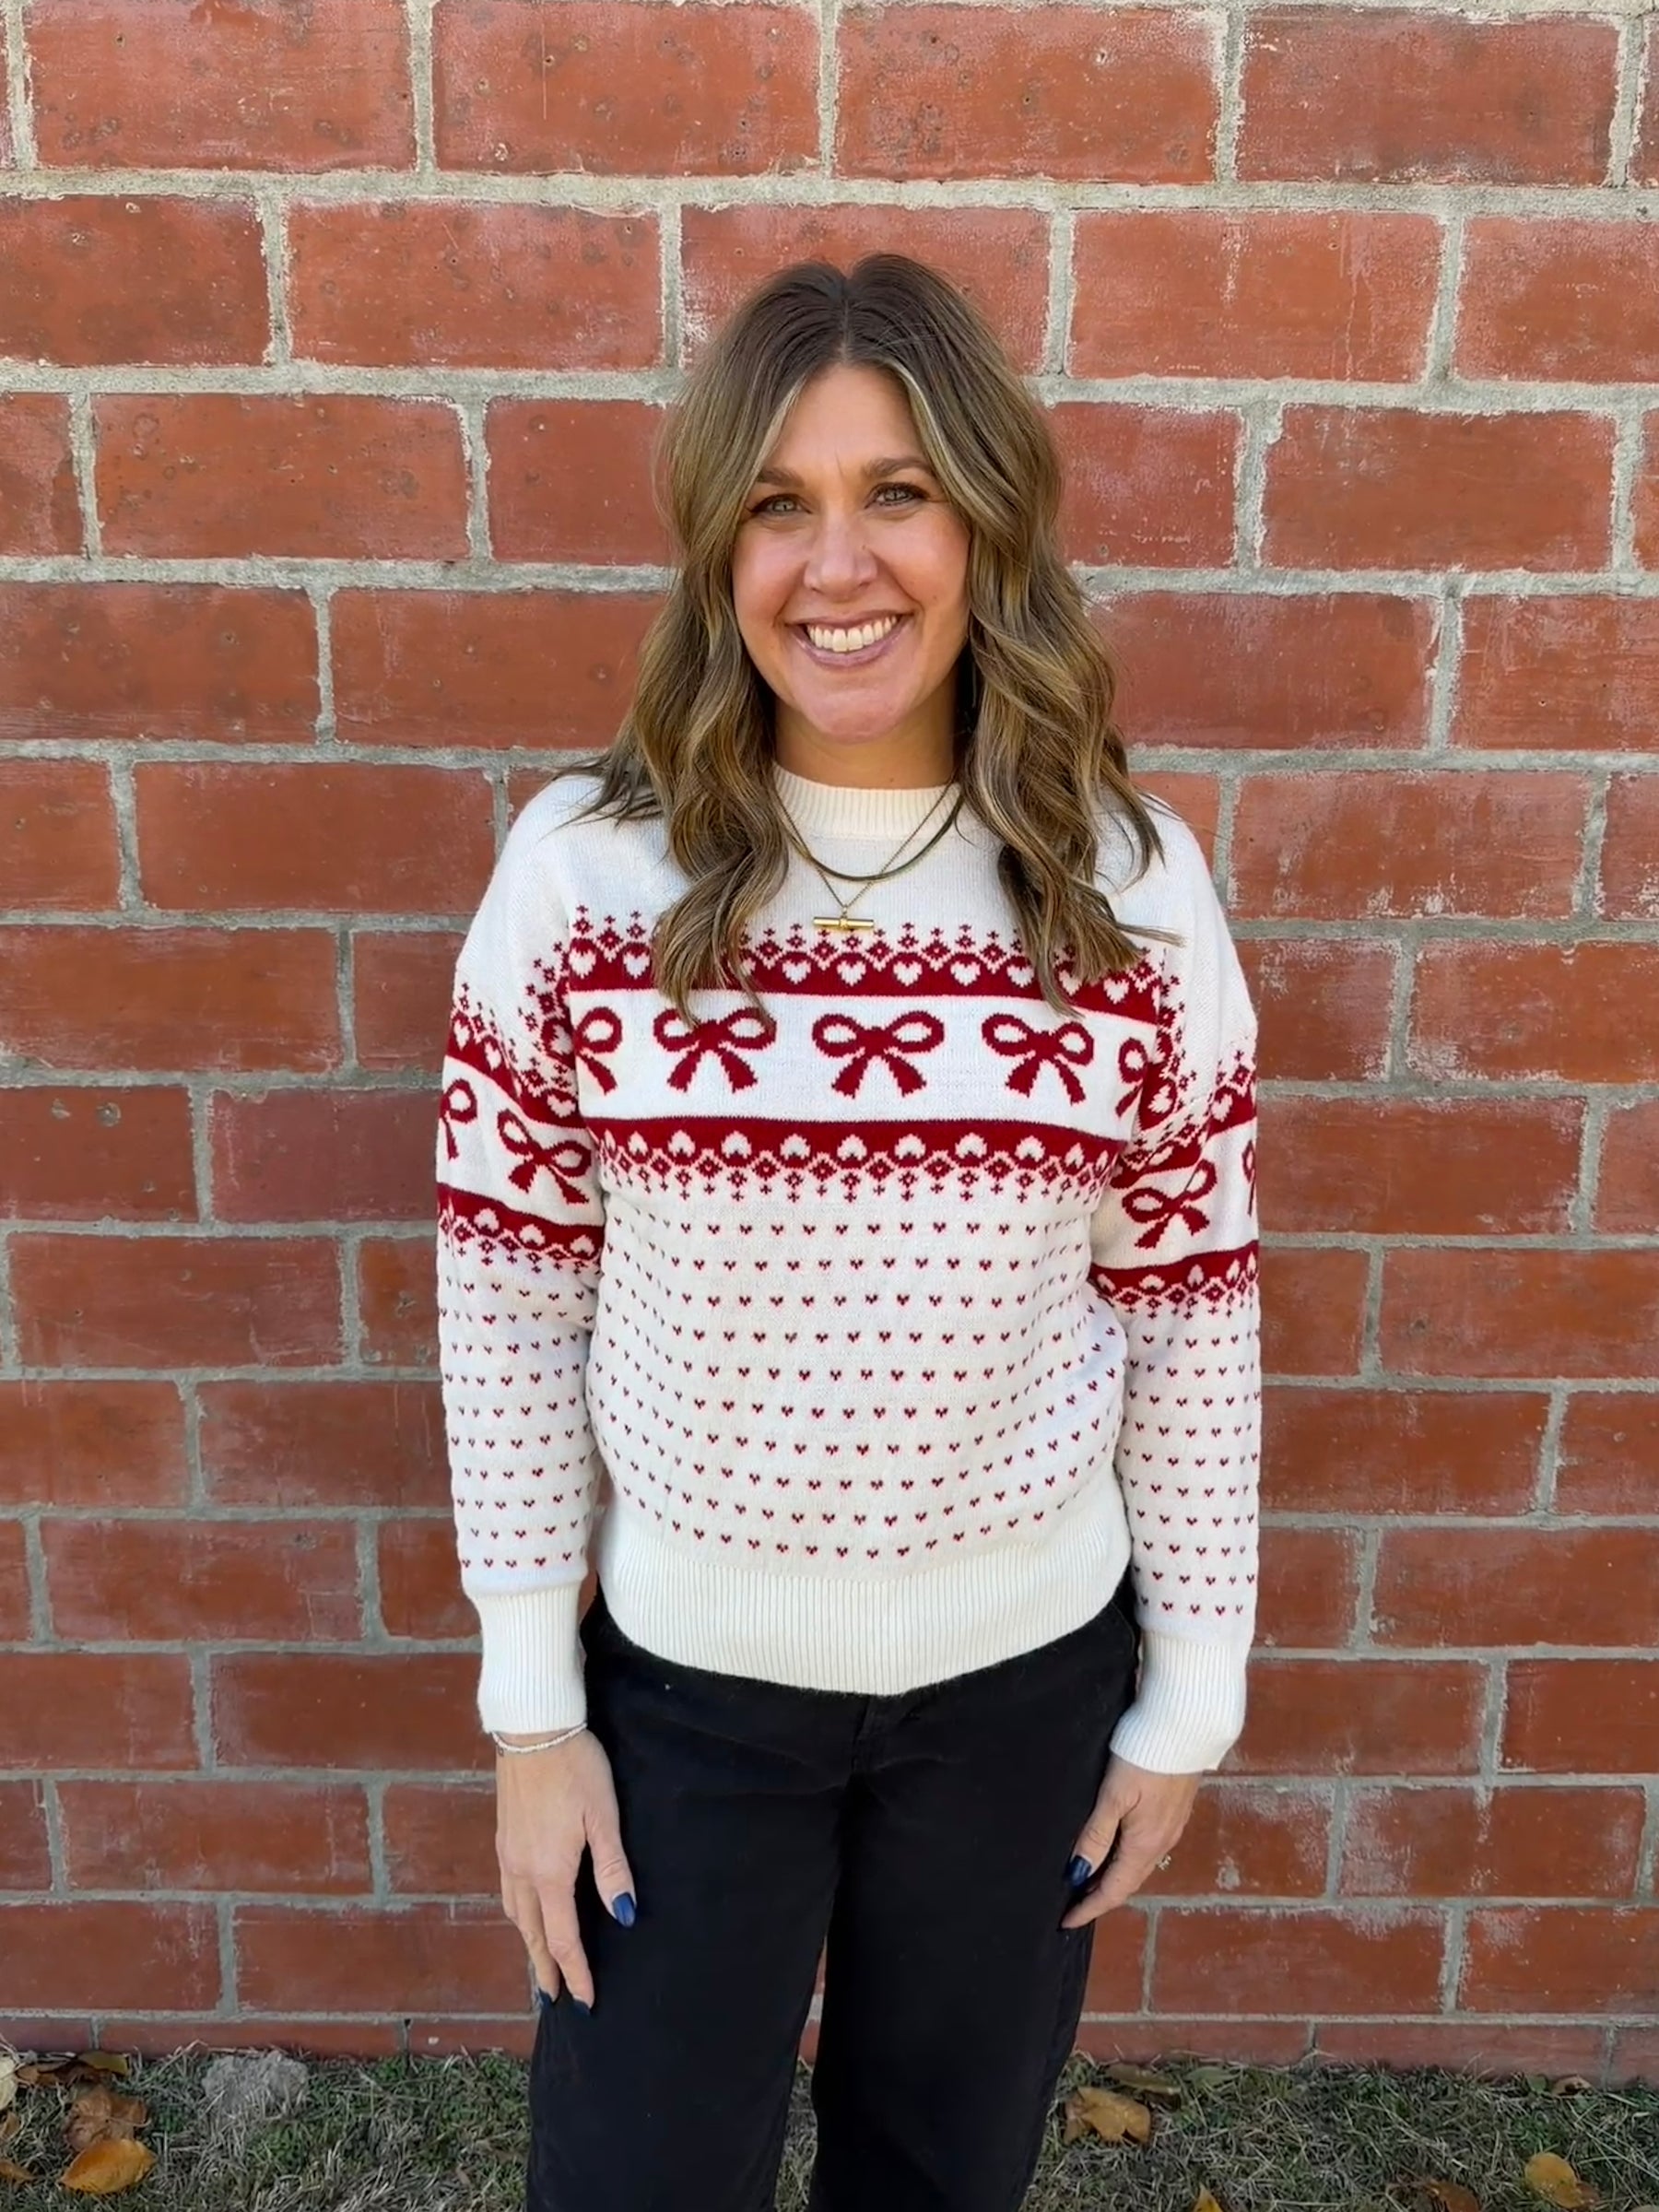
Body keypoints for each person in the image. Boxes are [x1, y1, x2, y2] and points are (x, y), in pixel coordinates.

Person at [434, 253, 1260, 2212]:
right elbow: (507, 1298)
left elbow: (1192, 1298)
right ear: (718, 553)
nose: (839, 564)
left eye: (898, 492)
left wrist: (1192, 1696)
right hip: (687, 1702)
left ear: (988, 519)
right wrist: (531, 1717)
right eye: (779, 505)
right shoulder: (584, 883)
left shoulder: (1127, 895)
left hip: (1026, 1689)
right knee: (640, 2179)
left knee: (940, 2172)